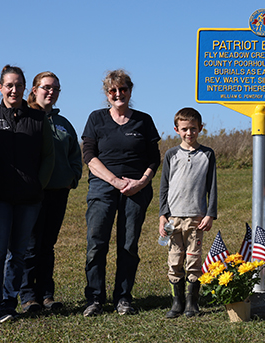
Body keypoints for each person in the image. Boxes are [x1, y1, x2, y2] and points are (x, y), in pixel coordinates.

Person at [0, 65, 54, 323]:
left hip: (29, 199)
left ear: (25, 88)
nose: (14, 89)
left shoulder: (38, 119)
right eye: (9, 85)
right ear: (0, 87)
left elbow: (49, 157)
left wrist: (37, 185)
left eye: (18, 85)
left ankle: (9, 303)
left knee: (18, 254)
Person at [81, 69, 161, 317]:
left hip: (136, 189)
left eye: (123, 89)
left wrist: (142, 182)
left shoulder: (143, 120)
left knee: (128, 245)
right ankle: (94, 299)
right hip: (103, 187)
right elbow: (89, 156)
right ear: (107, 94)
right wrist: (114, 180)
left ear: (130, 90)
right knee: (96, 244)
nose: (118, 94)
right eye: (113, 90)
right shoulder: (96, 119)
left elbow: (154, 158)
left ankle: (123, 298)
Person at [20, 72, 82, 313]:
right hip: (32, 194)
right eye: (46, 87)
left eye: (55, 88)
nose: (51, 92)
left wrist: (72, 178)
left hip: (58, 193)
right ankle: (28, 297)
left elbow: (75, 156)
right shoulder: (25, 118)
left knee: (47, 245)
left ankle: (47, 294)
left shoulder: (63, 123)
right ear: (34, 89)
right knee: (30, 246)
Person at [159, 107, 217, 318]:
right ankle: (177, 302)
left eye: (193, 128)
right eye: (184, 129)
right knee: (175, 260)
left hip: (196, 218)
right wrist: (162, 215)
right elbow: (164, 186)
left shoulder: (207, 154)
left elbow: (213, 186)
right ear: (176, 129)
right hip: (173, 219)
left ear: (200, 128)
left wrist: (210, 214)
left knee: (193, 260)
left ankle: (192, 303)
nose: (189, 133)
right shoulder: (171, 155)